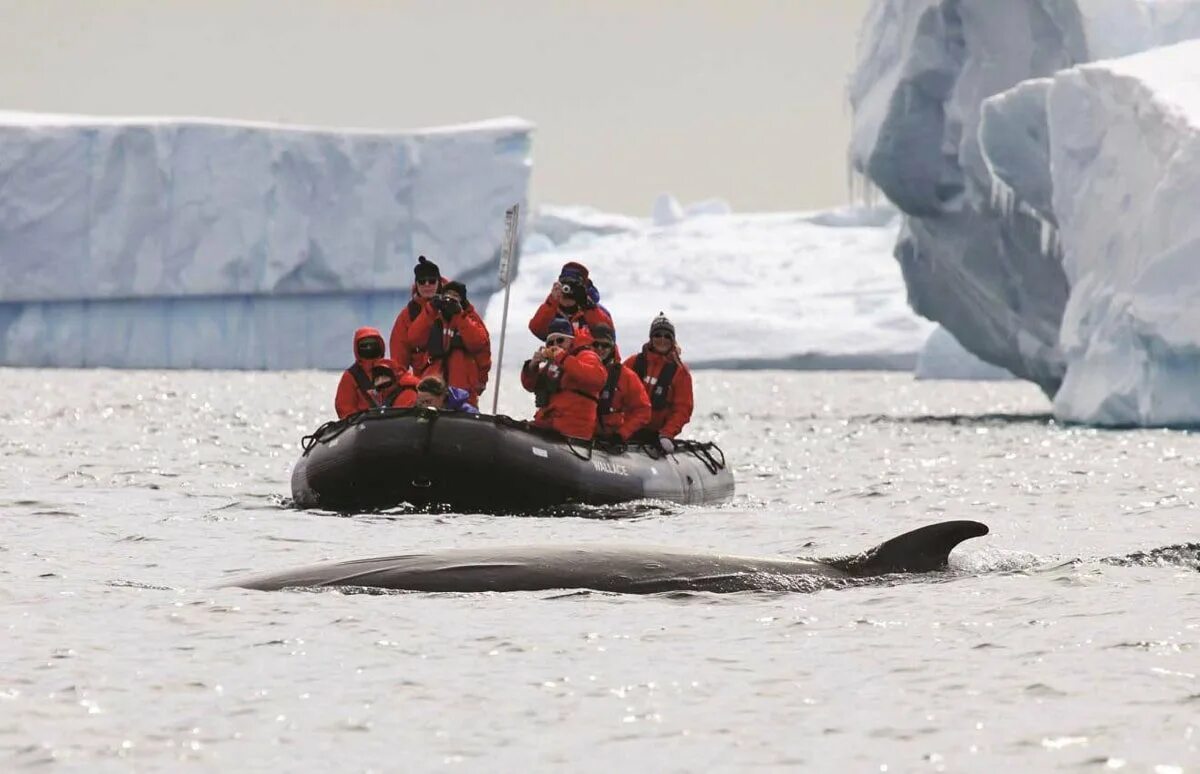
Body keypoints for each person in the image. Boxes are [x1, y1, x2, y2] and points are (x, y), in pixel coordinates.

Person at [406, 280, 491, 405]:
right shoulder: (432, 316)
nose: (450, 299)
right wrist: (430, 309)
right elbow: (414, 339)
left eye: (455, 296)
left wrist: (459, 316)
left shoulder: (470, 318)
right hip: (432, 388)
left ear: (462, 300)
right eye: (447, 295)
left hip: (462, 390)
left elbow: (479, 344)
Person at [520, 317, 607, 439]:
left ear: (571, 341)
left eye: (560, 340)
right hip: (547, 425)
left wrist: (563, 357)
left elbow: (596, 378)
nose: (555, 345)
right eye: (550, 343)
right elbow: (530, 386)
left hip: (572, 430)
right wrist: (532, 366)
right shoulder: (553, 365)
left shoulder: (586, 356)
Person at [624, 313, 694, 452]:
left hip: (656, 437)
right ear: (651, 338)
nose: (662, 339)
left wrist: (667, 434)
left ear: (673, 340)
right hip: (626, 432)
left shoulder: (680, 372)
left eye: (667, 336)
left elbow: (683, 409)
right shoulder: (632, 363)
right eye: (658, 335)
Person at [589, 324, 650, 444]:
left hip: (611, 440)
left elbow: (643, 410)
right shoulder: (578, 370)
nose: (600, 349)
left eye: (605, 345)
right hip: (582, 436)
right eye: (595, 344)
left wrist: (621, 434)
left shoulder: (626, 376)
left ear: (612, 347)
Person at [528, 261, 614, 341]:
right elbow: (537, 330)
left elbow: (607, 338)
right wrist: (551, 301)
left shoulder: (594, 311)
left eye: (573, 286)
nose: (568, 290)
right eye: (564, 284)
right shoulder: (552, 309)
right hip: (557, 355)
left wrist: (588, 307)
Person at [389, 255, 445, 372]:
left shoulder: (456, 306)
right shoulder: (408, 315)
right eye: (422, 281)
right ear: (416, 285)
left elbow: (479, 344)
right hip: (423, 382)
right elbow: (399, 357)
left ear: (439, 282)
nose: (427, 285)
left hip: (453, 379)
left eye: (432, 281)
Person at [335, 327, 391, 418]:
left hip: (392, 421)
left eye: (373, 344)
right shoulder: (350, 376)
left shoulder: (391, 368)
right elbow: (345, 409)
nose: (369, 348)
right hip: (363, 426)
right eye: (364, 345)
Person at [414, 375, 479, 414]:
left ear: (442, 397)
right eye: (421, 403)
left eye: (428, 402)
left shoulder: (467, 412)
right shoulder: (419, 414)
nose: (425, 406)